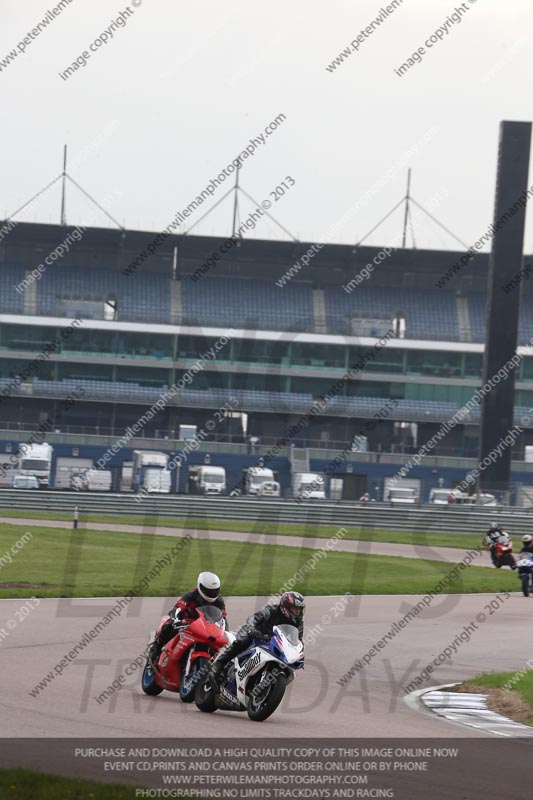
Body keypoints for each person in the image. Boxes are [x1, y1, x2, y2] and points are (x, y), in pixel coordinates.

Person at [210, 591, 305, 682]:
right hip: (256, 635)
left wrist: (298, 653)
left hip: (273, 643)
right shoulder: (271, 610)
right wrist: (252, 629)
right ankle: (219, 664)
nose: (298, 613)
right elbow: (254, 619)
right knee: (243, 641)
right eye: (295, 609)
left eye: (299, 610)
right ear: (286, 606)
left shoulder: (298, 623)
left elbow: (298, 641)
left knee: (285, 663)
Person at [149, 572, 227, 665]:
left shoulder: (219, 601)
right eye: (208, 591)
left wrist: (225, 632)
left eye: (215, 591)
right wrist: (175, 619)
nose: (212, 593)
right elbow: (177, 608)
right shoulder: (191, 595)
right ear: (200, 587)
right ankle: (155, 650)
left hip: (205, 629)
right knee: (167, 626)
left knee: (219, 648)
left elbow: (223, 619)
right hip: (185, 623)